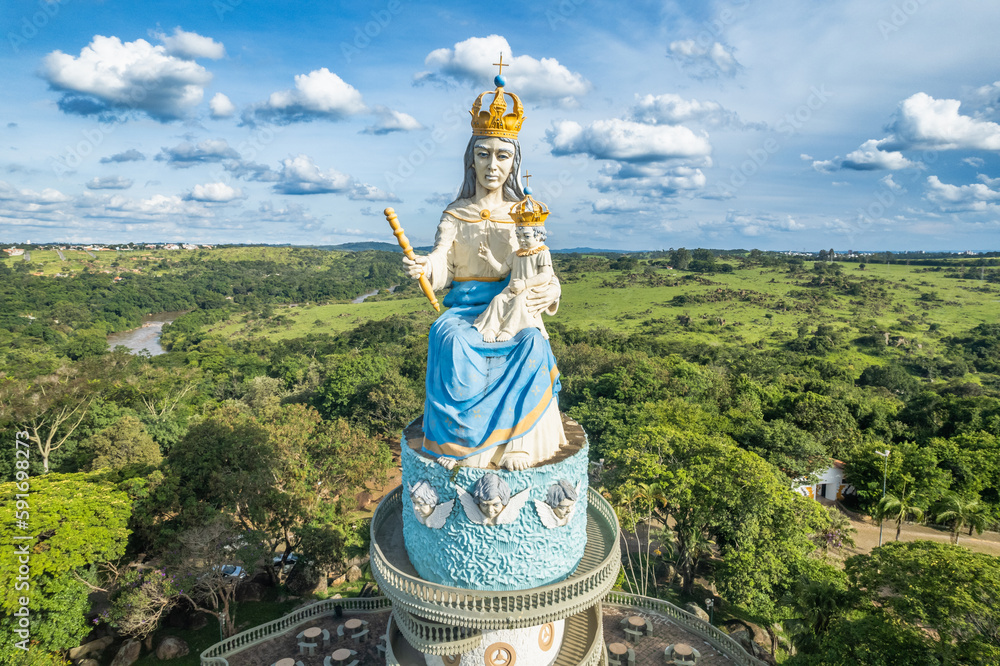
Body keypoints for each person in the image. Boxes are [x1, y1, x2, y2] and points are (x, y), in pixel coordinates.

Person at [402, 75, 566, 471]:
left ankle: (518, 444)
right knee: (451, 339)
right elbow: (442, 260)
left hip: (513, 308)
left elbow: (543, 266)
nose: (493, 165)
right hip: (465, 308)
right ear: (470, 158)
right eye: (484, 154)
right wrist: (425, 265)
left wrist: (553, 291)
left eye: (502, 155)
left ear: (514, 161)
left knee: (532, 345)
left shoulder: (524, 214)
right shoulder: (456, 213)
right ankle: (462, 444)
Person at [474, 218, 555, 343]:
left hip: (531, 290)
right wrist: (489, 257)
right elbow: (502, 270)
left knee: (519, 301)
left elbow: (545, 275)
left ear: (539, 236)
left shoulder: (542, 253)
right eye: (518, 236)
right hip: (513, 289)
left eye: (526, 236)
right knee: (498, 300)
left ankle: (509, 330)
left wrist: (525, 284)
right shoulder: (516, 254)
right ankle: (491, 328)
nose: (521, 240)